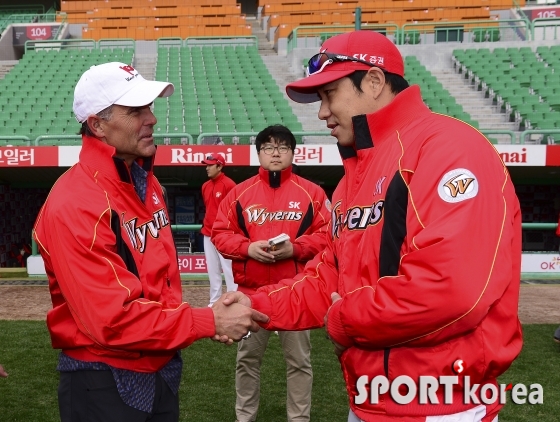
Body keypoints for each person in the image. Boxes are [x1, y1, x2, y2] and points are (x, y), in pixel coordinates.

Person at [220, 31, 523, 422]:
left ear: (375, 81)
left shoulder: (449, 148)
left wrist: (342, 319)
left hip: (442, 406)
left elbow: (451, 291)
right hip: (369, 397)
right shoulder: (354, 177)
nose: (322, 112)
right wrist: (256, 304)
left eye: (329, 94)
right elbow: (328, 276)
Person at [32, 62, 267, 422]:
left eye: (151, 107)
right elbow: (112, 320)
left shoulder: (146, 181)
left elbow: (159, 283)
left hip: (160, 366)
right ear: (97, 124)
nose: (152, 118)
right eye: (136, 110)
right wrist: (208, 321)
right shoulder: (75, 202)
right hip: (102, 380)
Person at [212, 124, 331, 422]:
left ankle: (298, 419)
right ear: (259, 153)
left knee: (299, 362)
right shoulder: (240, 193)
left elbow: (329, 235)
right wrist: (247, 248)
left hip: (298, 292)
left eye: (282, 147)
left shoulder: (313, 193)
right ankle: (245, 417)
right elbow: (220, 233)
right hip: (252, 294)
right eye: (268, 147)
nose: (275, 153)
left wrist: (297, 249)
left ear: (293, 152)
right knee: (248, 361)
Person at [200, 153, 237, 306]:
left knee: (229, 269)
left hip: (225, 234)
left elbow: (235, 211)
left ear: (220, 166)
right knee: (212, 270)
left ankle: (234, 300)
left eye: (210, 165)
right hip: (208, 233)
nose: (207, 168)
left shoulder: (230, 185)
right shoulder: (205, 186)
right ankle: (214, 302)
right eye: (206, 165)